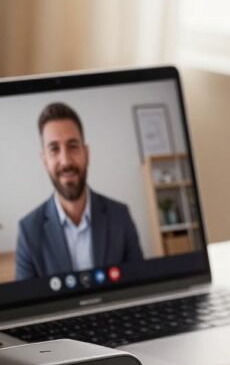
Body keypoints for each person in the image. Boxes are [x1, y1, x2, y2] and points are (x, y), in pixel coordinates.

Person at [15, 102, 143, 280]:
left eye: (73, 146)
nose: (66, 161)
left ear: (86, 153)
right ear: (44, 161)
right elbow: (26, 305)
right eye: (54, 149)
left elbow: (139, 285)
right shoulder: (28, 231)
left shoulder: (120, 216)